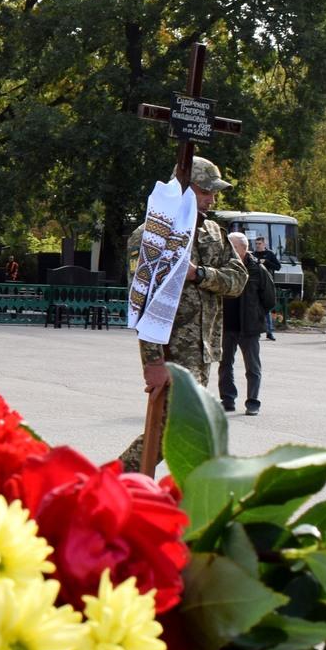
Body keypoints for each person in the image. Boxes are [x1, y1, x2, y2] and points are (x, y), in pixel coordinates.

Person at [121, 157, 247, 472]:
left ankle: (117, 486)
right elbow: (142, 303)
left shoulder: (215, 233)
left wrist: (200, 274)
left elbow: (237, 280)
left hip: (204, 350)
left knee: (185, 430)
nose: (212, 199)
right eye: (205, 191)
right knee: (168, 432)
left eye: (213, 192)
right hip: (171, 352)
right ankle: (109, 486)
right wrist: (152, 361)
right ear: (184, 188)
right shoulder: (151, 234)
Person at [220, 232, 277, 415]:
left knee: (252, 367)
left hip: (250, 327)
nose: (230, 251)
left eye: (233, 247)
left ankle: (253, 401)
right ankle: (227, 400)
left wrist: (257, 314)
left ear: (244, 249)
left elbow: (269, 299)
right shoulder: (224, 267)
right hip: (228, 325)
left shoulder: (258, 270)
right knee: (225, 364)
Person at [253, 236, 281, 340]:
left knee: (267, 308)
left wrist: (267, 262)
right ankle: (257, 330)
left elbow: (278, 267)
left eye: (259, 244)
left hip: (267, 285)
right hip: (255, 284)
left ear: (264, 244)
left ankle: (269, 332)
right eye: (256, 244)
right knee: (255, 308)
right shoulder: (253, 255)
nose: (257, 246)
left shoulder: (269, 254)